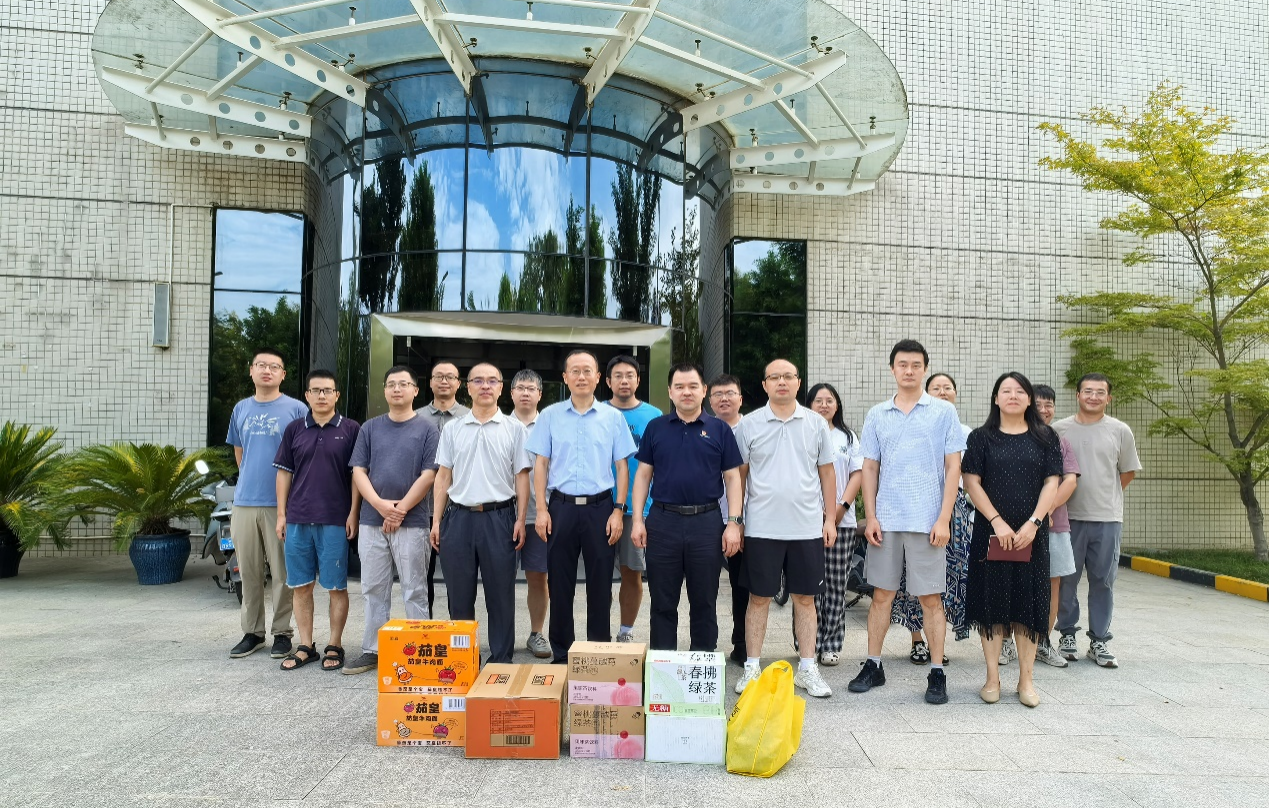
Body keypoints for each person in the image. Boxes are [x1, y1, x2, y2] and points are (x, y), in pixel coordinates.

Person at [851, 340, 966, 705]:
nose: (909, 370)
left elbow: (953, 467)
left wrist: (944, 518)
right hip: (886, 521)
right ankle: (873, 664)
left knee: (931, 598)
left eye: (916, 365)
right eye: (903, 364)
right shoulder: (877, 414)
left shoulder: (943, 412)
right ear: (893, 369)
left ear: (925, 369)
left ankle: (937, 671)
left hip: (928, 521)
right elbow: (870, 467)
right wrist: (871, 515)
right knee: (881, 595)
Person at [733, 359, 837, 698]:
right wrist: (737, 520)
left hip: (806, 527)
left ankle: (807, 668)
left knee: (805, 599)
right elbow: (739, 476)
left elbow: (827, 473)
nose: (782, 382)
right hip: (761, 527)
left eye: (788, 376)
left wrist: (830, 519)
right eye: (774, 377)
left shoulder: (816, 423)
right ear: (764, 385)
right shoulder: (748, 425)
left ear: (798, 382)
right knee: (759, 598)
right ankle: (752, 667)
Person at [526, 349, 637, 663]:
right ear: (565, 378)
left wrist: (618, 511)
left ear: (598, 377)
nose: (581, 376)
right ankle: (562, 653)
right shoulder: (550, 416)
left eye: (587, 370)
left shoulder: (612, 418)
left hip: (601, 508)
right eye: (574, 371)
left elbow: (622, 468)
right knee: (560, 583)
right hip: (560, 507)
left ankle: (597, 652)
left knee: (600, 584)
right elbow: (541, 465)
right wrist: (542, 510)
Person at [962, 372, 1063, 707]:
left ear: (1029, 399)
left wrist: (1034, 522)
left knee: (1028, 604)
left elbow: (1052, 483)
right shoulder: (981, 437)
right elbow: (971, 482)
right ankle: (992, 678)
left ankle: (1026, 680)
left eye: (1020, 391)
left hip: (1032, 535)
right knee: (991, 603)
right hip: (990, 532)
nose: (1013, 396)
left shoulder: (1045, 437)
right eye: (1006, 391)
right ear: (996, 398)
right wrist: (997, 522)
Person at [630, 364, 744, 651]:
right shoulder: (656, 428)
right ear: (670, 392)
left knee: (704, 600)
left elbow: (733, 478)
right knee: (662, 601)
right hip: (662, 522)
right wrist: (638, 520)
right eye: (679, 387)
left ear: (704, 391)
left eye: (693, 386)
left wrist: (733, 523)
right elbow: (643, 475)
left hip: (706, 523)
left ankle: (701, 662)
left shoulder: (719, 429)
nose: (686, 392)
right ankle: (663, 664)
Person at [343, 366, 441, 676]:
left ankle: (420, 649)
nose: (397, 389)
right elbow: (359, 471)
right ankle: (373, 649)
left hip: (413, 523)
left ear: (415, 391)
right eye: (391, 384)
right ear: (385, 390)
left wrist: (400, 510)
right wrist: (380, 505)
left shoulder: (428, 429)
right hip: (372, 522)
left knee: (414, 588)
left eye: (403, 384)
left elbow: (430, 474)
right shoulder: (370, 428)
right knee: (373, 588)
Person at [431, 363, 531, 664]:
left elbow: (522, 477)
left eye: (492, 381)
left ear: (501, 388)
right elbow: (443, 477)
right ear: (468, 387)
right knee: (459, 596)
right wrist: (436, 521)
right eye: (478, 380)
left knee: (500, 595)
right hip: (458, 518)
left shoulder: (515, 429)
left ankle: (501, 660)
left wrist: (520, 519)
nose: (485, 386)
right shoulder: (453, 428)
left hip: (499, 518)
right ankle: (463, 660)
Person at [273, 370, 361, 671]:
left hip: (335, 519)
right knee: (301, 586)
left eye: (327, 390)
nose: (322, 395)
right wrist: (282, 514)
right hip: (298, 518)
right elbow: (284, 473)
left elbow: (357, 475)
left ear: (337, 395)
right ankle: (306, 646)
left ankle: (335, 644)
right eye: (316, 390)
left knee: (336, 586)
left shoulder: (351, 429)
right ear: (307, 395)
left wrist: (353, 512)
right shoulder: (294, 429)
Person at [1053, 373, 1141, 668]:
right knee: (1066, 580)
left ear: (1108, 398)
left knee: (1103, 580)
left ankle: (1099, 641)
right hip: (1067, 518)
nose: (1093, 396)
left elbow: (1127, 472)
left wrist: (1106, 496)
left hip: (1107, 519)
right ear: (1077, 395)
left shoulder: (1120, 430)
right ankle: (1067, 635)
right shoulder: (1059, 430)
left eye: (1100, 392)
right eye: (1088, 391)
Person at [226, 348, 309, 660]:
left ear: (283, 374)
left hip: (281, 505)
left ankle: (282, 633)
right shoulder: (241, 409)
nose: (267, 370)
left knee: (283, 572)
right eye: (261, 365)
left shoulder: (297, 409)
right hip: (245, 502)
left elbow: (304, 454)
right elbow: (239, 453)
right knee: (248, 571)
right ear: (251, 370)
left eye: (274, 366)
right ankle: (253, 632)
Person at [890, 372, 974, 665]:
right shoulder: (916, 424)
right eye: (936, 388)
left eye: (947, 387)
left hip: (954, 511)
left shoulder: (966, 431)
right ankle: (917, 641)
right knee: (913, 577)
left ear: (955, 393)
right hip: (916, 509)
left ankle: (938, 643)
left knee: (948, 578)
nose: (942, 392)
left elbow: (970, 475)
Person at [603, 355, 662, 644]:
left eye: (630, 375)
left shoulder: (654, 416)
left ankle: (625, 631)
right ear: (608, 381)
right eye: (618, 375)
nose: (624, 381)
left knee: (632, 572)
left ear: (638, 380)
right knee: (599, 574)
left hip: (638, 509)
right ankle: (598, 632)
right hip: (600, 505)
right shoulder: (597, 412)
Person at [806, 383, 863, 667]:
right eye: (818, 400)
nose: (824, 405)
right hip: (806, 520)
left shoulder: (848, 437)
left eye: (829, 400)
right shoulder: (802, 433)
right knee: (808, 586)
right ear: (809, 405)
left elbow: (857, 474)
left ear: (837, 405)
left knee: (836, 585)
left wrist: (840, 508)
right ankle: (808, 642)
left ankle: (830, 644)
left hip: (843, 521)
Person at [1030, 384, 1080, 668]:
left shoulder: (1060, 442)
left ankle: (1042, 642)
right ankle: (1009, 642)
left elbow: (1070, 480)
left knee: (1052, 584)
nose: (1044, 410)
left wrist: (1046, 511)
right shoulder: (1010, 437)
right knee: (1014, 583)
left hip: (1055, 525)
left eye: (1049, 404)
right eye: (1038, 404)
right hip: (1016, 528)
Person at [417, 360, 471, 617]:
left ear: (459, 384)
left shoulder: (469, 418)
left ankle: (455, 630)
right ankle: (425, 629)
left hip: (457, 509)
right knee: (421, 577)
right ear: (430, 382)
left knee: (457, 579)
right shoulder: (415, 417)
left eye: (450, 377)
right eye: (439, 376)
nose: (444, 381)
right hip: (420, 509)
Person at [708, 373, 749, 664]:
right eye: (718, 394)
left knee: (741, 584)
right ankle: (706, 641)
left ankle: (742, 642)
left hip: (743, 519)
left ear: (740, 399)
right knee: (705, 583)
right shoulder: (704, 428)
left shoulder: (752, 428)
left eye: (730, 393)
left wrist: (741, 519)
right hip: (708, 517)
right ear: (709, 400)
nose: (724, 398)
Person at [511, 369, 551, 658]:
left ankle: (536, 633)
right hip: (504, 514)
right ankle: (502, 635)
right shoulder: (501, 425)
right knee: (500, 578)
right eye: (520, 388)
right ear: (511, 393)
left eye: (531, 388)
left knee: (538, 576)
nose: (525, 393)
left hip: (539, 514)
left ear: (539, 394)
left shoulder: (550, 426)